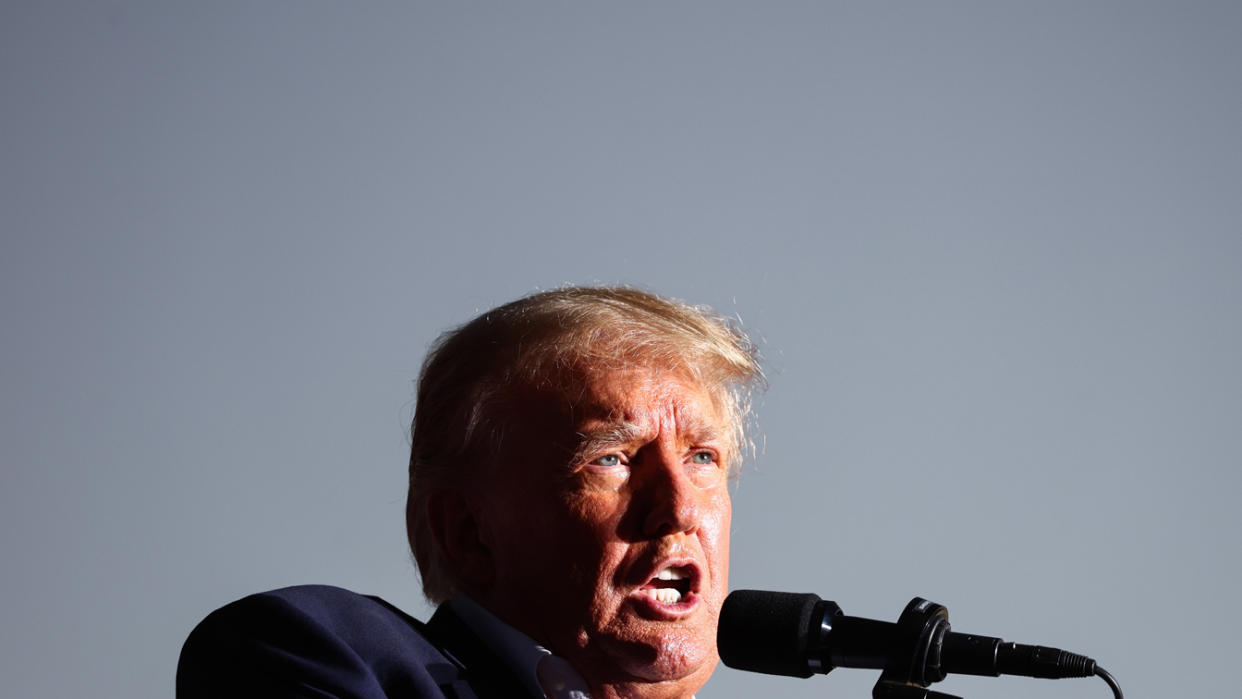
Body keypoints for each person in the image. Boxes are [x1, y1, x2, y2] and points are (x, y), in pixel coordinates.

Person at [177, 286, 764, 699]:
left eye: (702, 458)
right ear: (469, 532)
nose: (681, 508)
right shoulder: (311, 652)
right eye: (611, 459)